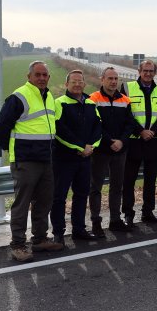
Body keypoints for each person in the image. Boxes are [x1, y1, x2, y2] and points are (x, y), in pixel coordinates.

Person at [0, 61, 64, 262]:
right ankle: (17, 245)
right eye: (38, 75)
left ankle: (40, 240)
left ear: (49, 77)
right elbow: (0, 127)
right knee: (22, 204)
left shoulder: (49, 96)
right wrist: (12, 148)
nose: (41, 78)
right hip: (26, 161)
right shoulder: (19, 96)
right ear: (29, 76)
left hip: (46, 159)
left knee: (44, 202)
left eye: (45, 75)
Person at [50, 70, 102, 243]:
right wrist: (79, 147)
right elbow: (58, 129)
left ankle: (79, 229)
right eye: (74, 81)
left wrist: (91, 147)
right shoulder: (59, 103)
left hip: (85, 158)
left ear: (84, 84)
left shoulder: (90, 103)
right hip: (64, 159)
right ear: (67, 84)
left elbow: (98, 127)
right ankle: (58, 233)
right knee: (59, 197)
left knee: (81, 194)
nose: (78, 84)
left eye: (80, 81)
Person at [121, 60, 157, 225]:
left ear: (155, 73)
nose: (148, 74)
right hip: (134, 141)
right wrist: (140, 131)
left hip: (153, 141)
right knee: (129, 181)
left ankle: (148, 212)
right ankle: (128, 214)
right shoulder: (127, 88)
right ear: (139, 71)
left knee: (150, 181)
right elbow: (126, 114)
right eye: (145, 70)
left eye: (151, 71)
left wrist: (153, 132)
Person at [89, 67, 136, 236]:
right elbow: (95, 124)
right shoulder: (93, 99)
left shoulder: (125, 100)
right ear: (102, 79)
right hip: (101, 151)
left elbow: (130, 124)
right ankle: (96, 222)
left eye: (116, 78)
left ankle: (115, 220)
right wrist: (110, 141)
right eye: (110, 78)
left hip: (120, 151)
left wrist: (121, 141)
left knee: (117, 187)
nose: (114, 81)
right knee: (96, 188)